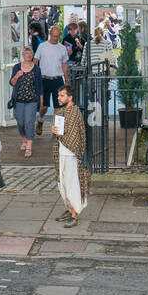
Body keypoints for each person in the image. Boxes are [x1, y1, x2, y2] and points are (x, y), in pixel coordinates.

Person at [53, 85, 87, 227]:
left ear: (70, 97)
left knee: (72, 184)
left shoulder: (74, 112)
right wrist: (54, 131)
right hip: (61, 153)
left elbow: (73, 135)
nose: (59, 98)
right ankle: (69, 208)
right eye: (58, 95)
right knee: (63, 183)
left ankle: (75, 214)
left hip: (71, 154)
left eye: (62, 95)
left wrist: (60, 133)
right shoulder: (61, 112)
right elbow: (60, 133)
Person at [34, 25, 70, 135]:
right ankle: (40, 121)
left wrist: (67, 80)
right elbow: (35, 61)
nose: (55, 38)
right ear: (50, 34)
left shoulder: (62, 48)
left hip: (58, 80)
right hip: (44, 80)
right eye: (53, 36)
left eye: (57, 36)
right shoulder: (42, 46)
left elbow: (64, 66)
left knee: (58, 108)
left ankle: (56, 130)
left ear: (59, 36)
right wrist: (34, 77)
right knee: (44, 106)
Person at [9, 47, 40, 158]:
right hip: (19, 100)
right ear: (23, 55)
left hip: (32, 100)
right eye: (26, 53)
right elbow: (12, 83)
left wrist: (40, 100)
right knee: (21, 122)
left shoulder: (36, 69)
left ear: (32, 55)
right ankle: (24, 139)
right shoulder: (17, 67)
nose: (28, 55)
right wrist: (17, 75)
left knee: (29, 122)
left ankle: (29, 147)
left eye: (30, 53)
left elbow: (39, 86)